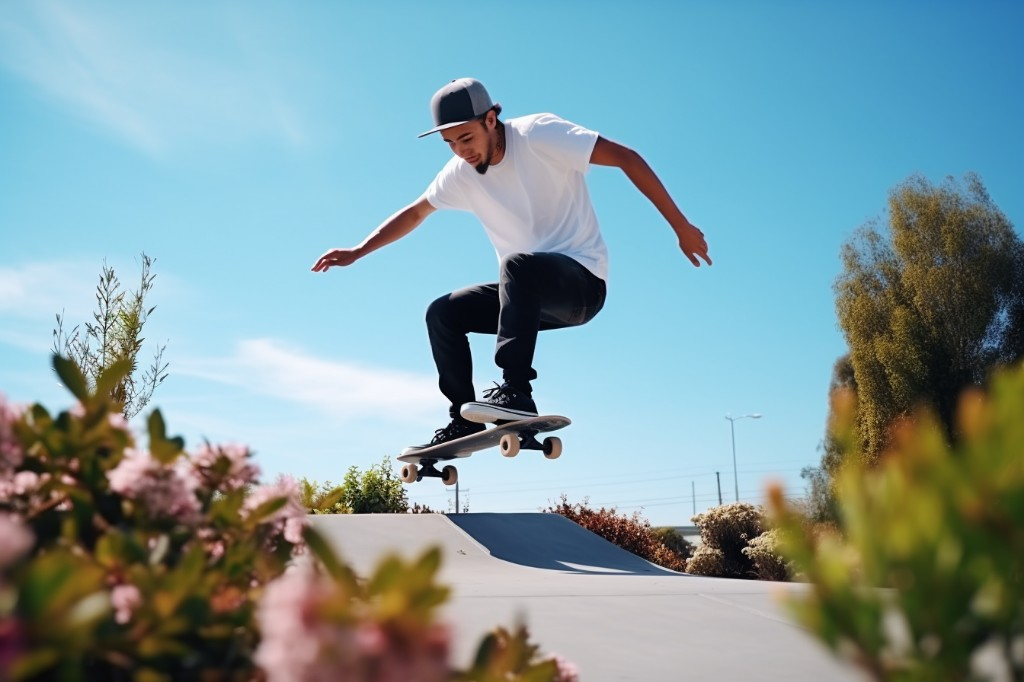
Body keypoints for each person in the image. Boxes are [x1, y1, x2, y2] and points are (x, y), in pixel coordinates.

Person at [312, 78, 710, 453]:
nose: (462, 151)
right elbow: (416, 213)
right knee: (443, 312)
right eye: (450, 143)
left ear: (491, 119)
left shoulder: (539, 134)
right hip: (525, 299)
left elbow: (626, 157)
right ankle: (463, 417)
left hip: (581, 285)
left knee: (517, 266)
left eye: (467, 138)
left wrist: (680, 226)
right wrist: (357, 251)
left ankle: (516, 391)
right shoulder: (460, 174)